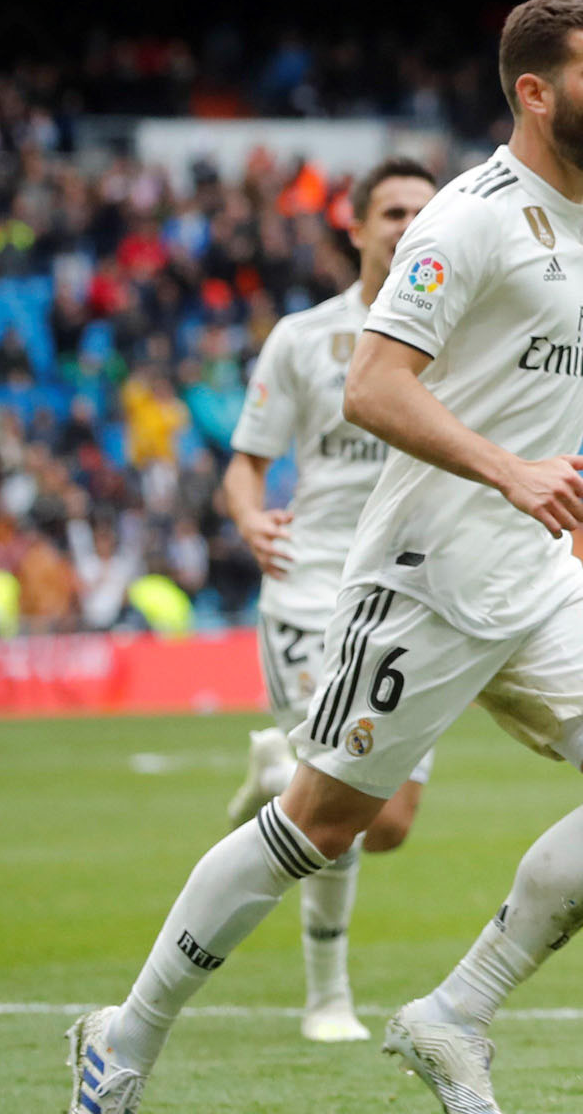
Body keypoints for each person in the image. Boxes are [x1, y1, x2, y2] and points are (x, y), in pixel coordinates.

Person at [67, 0, 583, 1114]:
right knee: (322, 824)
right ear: (536, 94)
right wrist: (508, 469)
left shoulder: (578, 218)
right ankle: (124, 1037)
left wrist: (527, 484)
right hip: (426, 574)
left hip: (531, 571)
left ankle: (454, 1016)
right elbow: (373, 384)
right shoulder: (470, 220)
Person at [215, 154, 439, 1044]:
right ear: (355, 228)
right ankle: (326, 999)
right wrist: (247, 520)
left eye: (424, 212)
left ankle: (276, 769)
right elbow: (245, 462)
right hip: (311, 591)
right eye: (392, 212)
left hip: (414, 596)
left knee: (389, 826)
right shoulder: (303, 339)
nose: (410, 227)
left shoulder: (460, 340)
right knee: (340, 808)